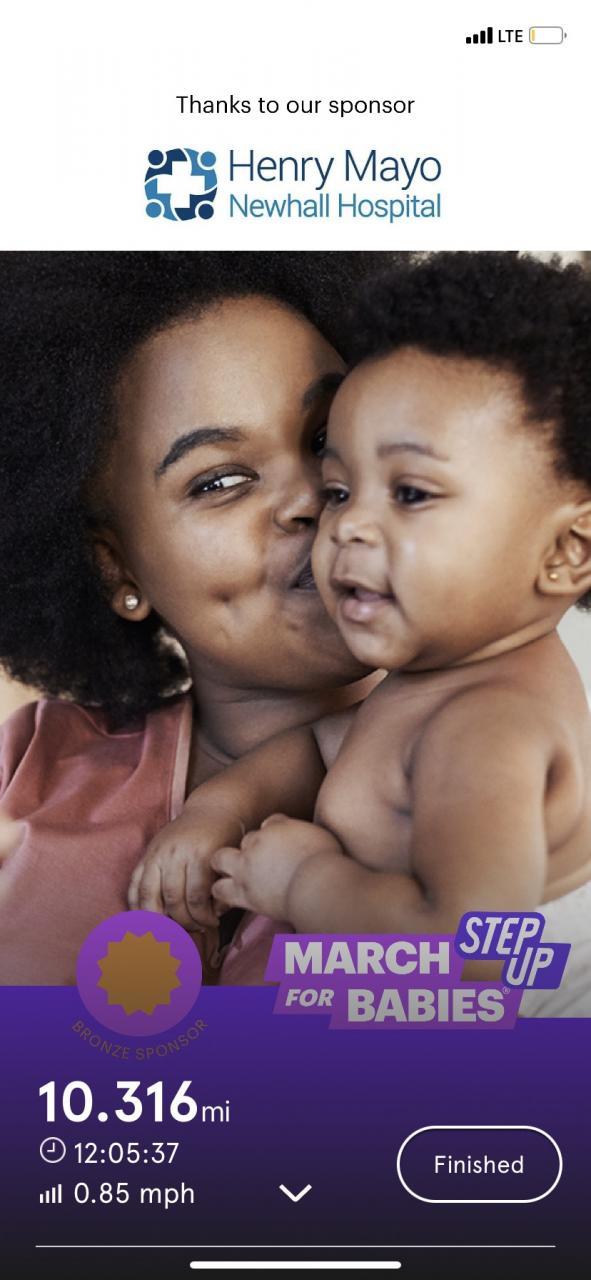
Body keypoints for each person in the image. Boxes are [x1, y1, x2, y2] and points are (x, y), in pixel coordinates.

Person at [135, 253, 591, 1013]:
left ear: (565, 552)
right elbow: (323, 747)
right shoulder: (440, 681)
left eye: (410, 493)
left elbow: (471, 960)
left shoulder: (489, 727)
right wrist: (219, 810)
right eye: (342, 488)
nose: (342, 525)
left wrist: (304, 882)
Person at [0, 250, 388, 985]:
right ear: (116, 566)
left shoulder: (506, 763)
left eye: (324, 435)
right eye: (220, 480)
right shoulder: (27, 769)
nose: (310, 495)